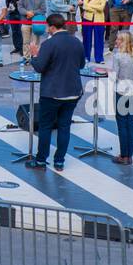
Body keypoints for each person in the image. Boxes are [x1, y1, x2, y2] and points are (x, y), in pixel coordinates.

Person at [28, 13, 85, 173]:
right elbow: (81, 65)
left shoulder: (49, 44)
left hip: (52, 92)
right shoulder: (77, 42)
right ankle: (59, 161)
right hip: (73, 90)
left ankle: (41, 160)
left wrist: (34, 55)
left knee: (45, 126)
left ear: (52, 27)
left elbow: (39, 67)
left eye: (47, 27)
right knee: (64, 127)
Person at [108, 31, 133, 164]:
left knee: (121, 124)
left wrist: (108, 72)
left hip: (121, 90)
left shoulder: (118, 56)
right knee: (130, 123)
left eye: (118, 40)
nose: (116, 42)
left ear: (123, 42)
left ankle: (124, 155)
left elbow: (114, 77)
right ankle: (130, 155)